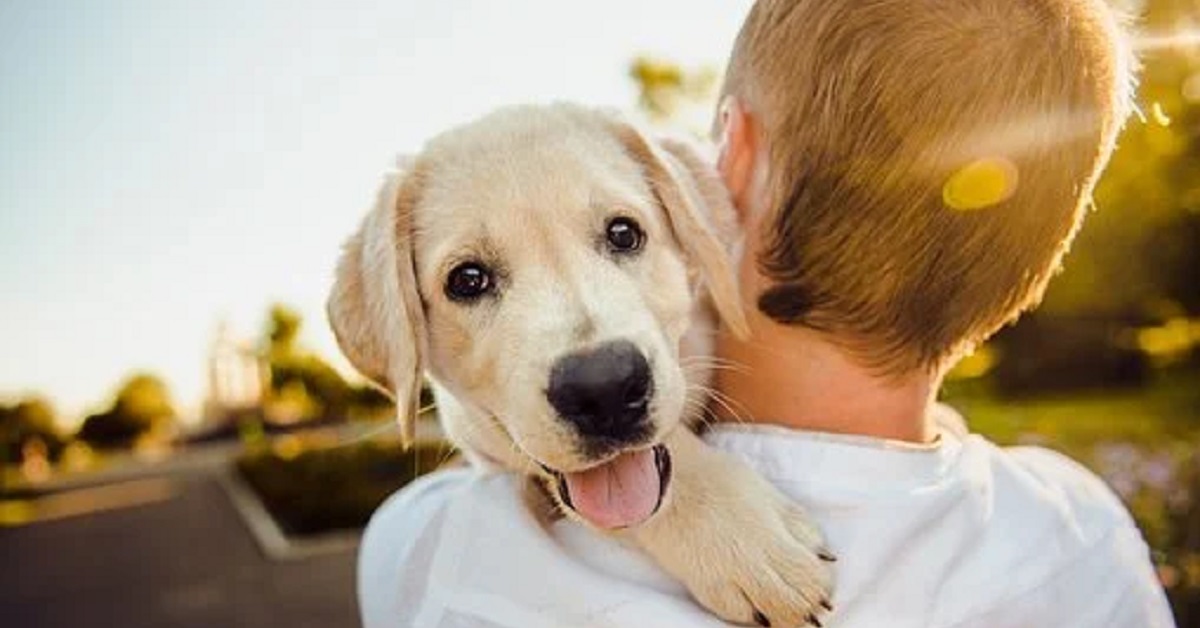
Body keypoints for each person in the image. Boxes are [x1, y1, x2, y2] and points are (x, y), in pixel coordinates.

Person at [358, 0, 1175, 626]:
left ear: (728, 167)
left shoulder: (436, 557)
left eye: (620, 234)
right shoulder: (1089, 541)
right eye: (471, 280)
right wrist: (681, 496)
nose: (593, 351)